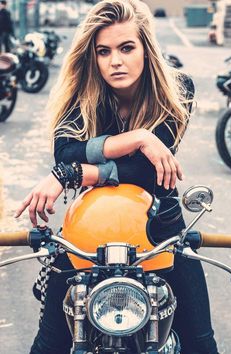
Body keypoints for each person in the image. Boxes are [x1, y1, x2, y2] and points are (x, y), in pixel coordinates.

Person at [15, 0, 219, 353]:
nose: (115, 61)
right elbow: (64, 153)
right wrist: (140, 137)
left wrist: (76, 173)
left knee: (201, 342)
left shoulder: (177, 90)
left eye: (127, 47)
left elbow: (147, 173)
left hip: (161, 228)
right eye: (103, 51)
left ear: (145, 48)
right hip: (88, 226)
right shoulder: (79, 93)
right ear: (92, 56)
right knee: (49, 343)